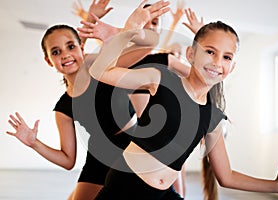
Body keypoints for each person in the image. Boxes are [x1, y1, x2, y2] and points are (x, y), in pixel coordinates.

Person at [81, 1, 278, 199]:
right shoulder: (161, 79)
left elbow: (226, 177)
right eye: (210, 52)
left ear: (232, 68)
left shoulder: (213, 117)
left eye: (227, 57)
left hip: (163, 194)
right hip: (126, 187)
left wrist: (276, 185)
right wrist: (130, 29)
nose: (217, 62)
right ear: (190, 54)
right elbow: (100, 72)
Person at [6, 1, 170, 200]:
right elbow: (68, 160)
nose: (65, 55)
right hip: (98, 159)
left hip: (130, 151)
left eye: (70, 46)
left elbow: (150, 43)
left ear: (81, 49)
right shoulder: (63, 107)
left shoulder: (103, 67)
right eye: (56, 52)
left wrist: (121, 31)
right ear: (49, 61)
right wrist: (34, 143)